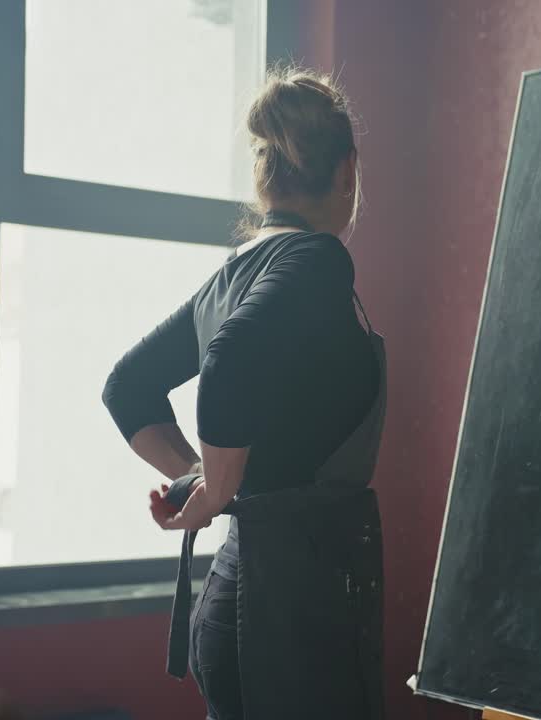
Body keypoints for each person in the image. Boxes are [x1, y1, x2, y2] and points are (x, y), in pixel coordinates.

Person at [102, 67, 385, 720]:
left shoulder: (236, 271)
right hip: (292, 608)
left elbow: (128, 387)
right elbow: (227, 364)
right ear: (347, 170)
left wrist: (201, 480)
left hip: (242, 596)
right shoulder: (316, 259)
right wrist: (215, 489)